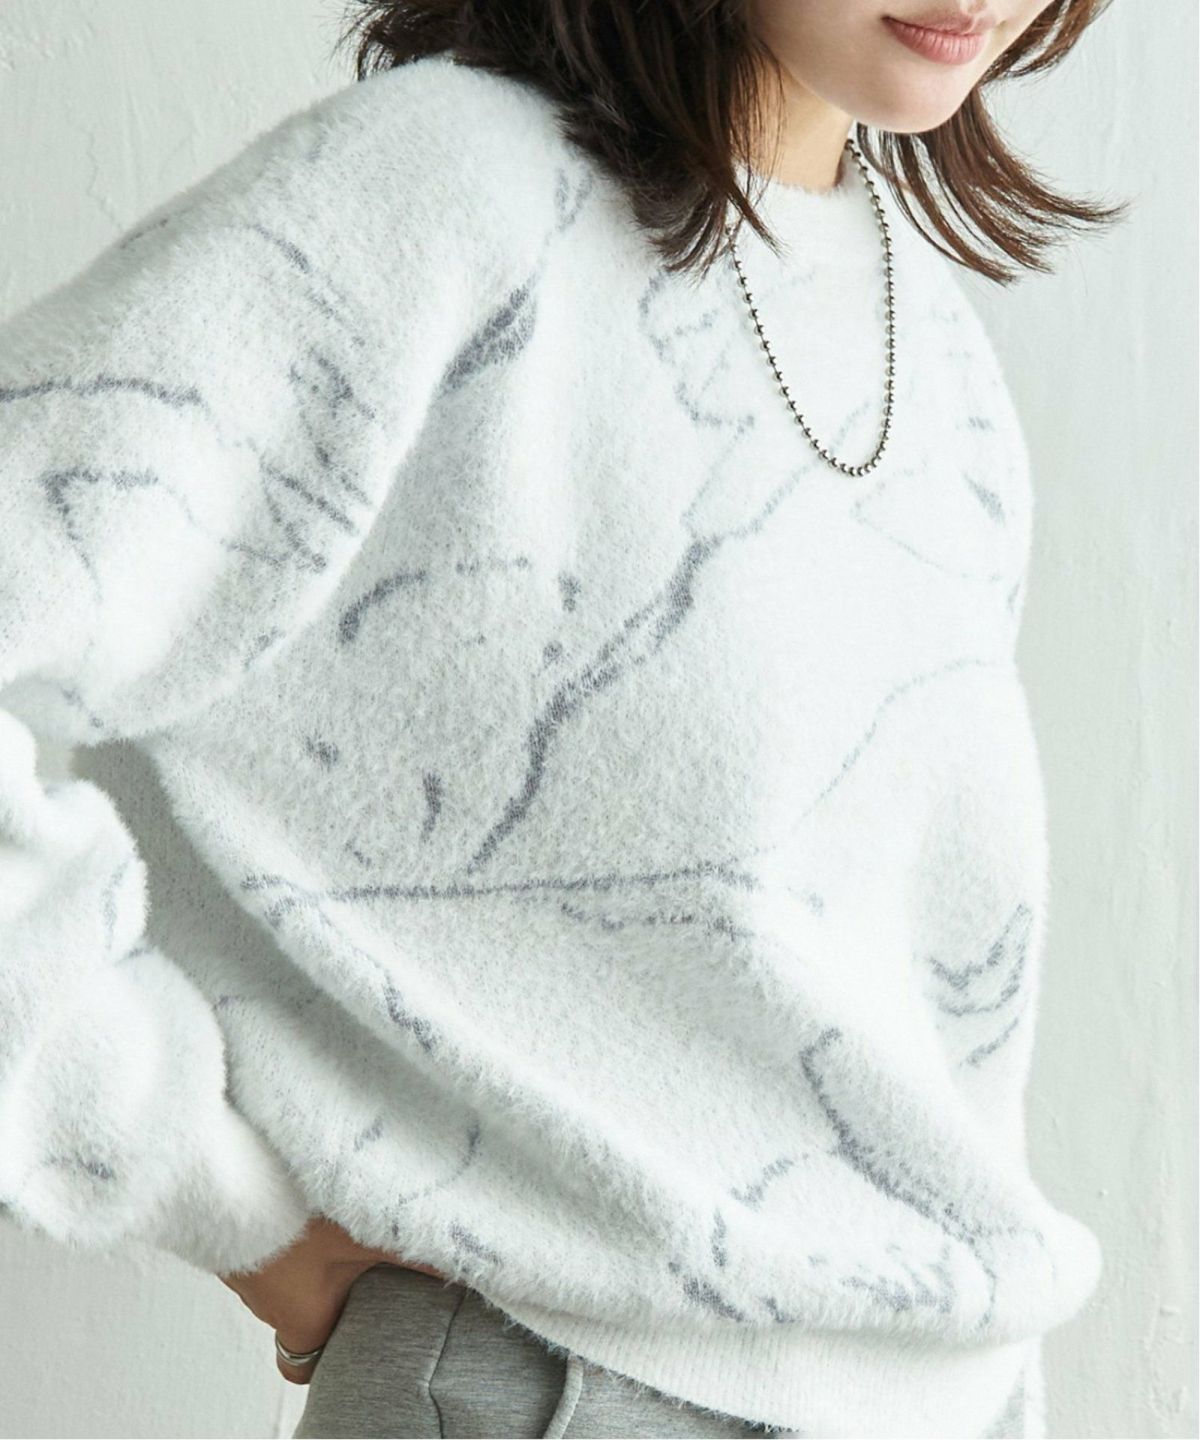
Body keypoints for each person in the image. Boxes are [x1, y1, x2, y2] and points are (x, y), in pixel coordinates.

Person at [0, 1, 1128, 1436]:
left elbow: (929, 1039)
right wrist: (173, 1164)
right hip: (561, 1388)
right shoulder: (439, 192)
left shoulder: (937, 352)